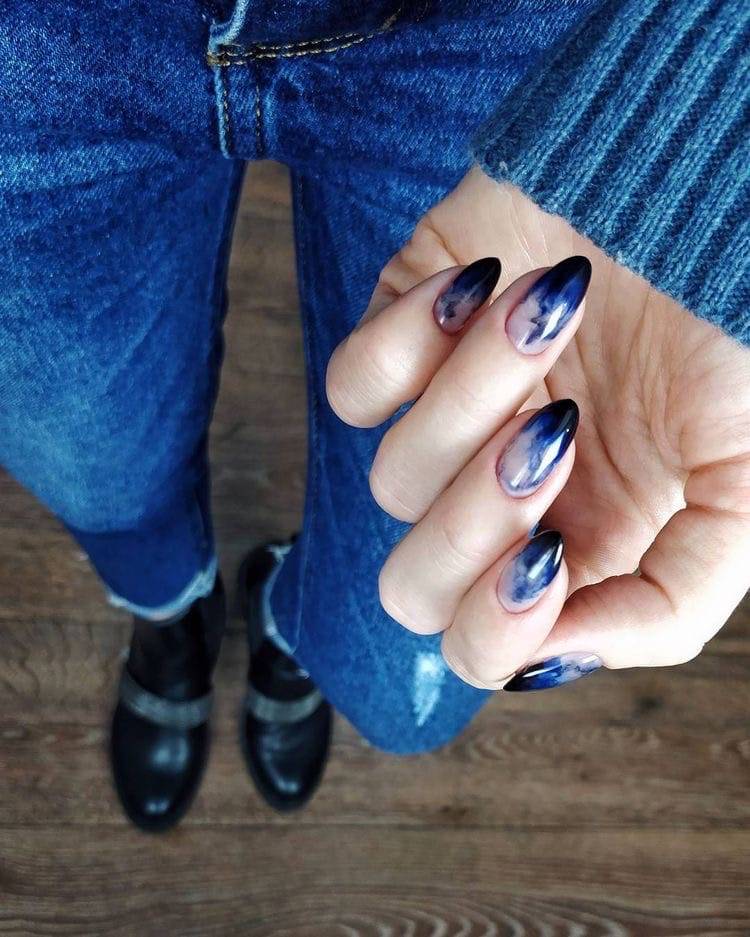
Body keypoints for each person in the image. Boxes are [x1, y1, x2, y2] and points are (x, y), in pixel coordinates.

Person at [1, 0, 747, 832]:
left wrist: (717, 146)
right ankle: (173, 616)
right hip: (34, 45)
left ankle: (289, 621)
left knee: (399, 678)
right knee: (101, 476)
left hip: (513, 34)